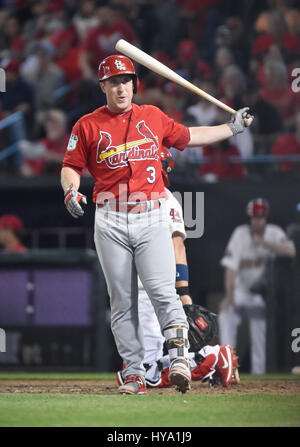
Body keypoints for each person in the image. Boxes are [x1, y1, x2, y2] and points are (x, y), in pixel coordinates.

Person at [61, 54, 253, 394]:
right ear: (103, 86)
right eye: (114, 81)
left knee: (164, 294)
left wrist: (232, 127)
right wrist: (71, 190)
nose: (121, 87)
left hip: (151, 214)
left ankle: (179, 360)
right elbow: (71, 165)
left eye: (127, 81)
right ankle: (134, 372)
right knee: (122, 302)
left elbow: (190, 136)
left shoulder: (152, 116)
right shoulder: (87, 125)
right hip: (110, 217)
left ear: (135, 84)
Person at [116, 148, 240, 390]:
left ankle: (212, 358)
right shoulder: (134, 196)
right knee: (135, 369)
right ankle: (211, 356)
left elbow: (177, 244)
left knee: (145, 373)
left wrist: (182, 291)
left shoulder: (165, 198)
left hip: (152, 290)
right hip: (137, 289)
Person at [218, 198, 296, 374]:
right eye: (254, 217)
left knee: (259, 333)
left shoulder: (274, 233)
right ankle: (226, 367)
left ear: (266, 218)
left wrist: (264, 244)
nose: (257, 221)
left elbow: (292, 251)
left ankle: (259, 375)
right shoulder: (240, 234)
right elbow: (230, 268)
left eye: (261, 217)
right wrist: (229, 297)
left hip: (260, 295)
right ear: (249, 218)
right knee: (226, 315)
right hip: (240, 292)